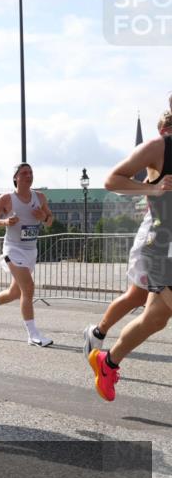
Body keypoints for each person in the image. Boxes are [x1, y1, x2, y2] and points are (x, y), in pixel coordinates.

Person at [89, 102, 172, 402]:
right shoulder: (159, 146)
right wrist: (152, 188)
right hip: (163, 247)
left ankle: (107, 362)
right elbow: (112, 179)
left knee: (155, 319)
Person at [0, 163, 55, 347]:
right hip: (13, 249)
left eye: (31, 173)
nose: (29, 175)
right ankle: (33, 334)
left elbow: (50, 221)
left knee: (15, 292)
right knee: (28, 288)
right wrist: (5, 222)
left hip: (31, 250)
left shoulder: (40, 197)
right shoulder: (7, 199)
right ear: (16, 178)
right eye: (24, 173)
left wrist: (43, 217)